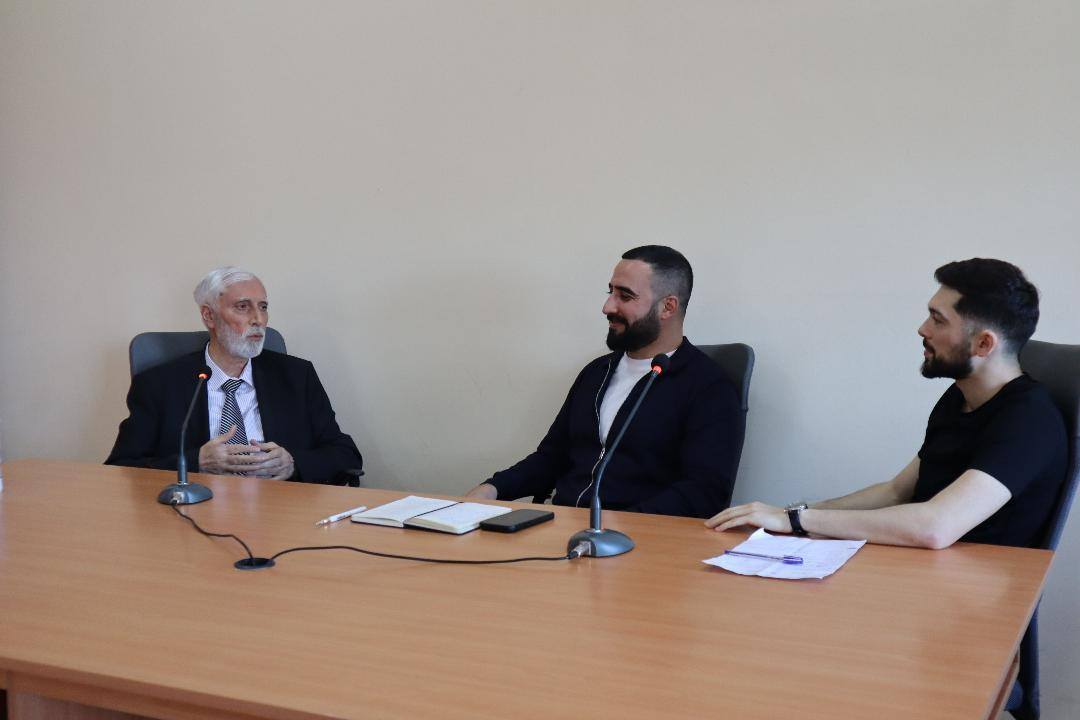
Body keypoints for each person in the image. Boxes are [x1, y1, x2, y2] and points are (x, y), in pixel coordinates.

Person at [707, 258, 1066, 549]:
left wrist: (798, 522)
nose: (923, 329)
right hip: (925, 574)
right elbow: (896, 492)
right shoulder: (959, 397)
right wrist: (791, 515)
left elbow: (936, 526)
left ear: (984, 344)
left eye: (938, 320)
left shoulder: (1030, 421)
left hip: (979, 599)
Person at [465, 245, 741, 518]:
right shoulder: (596, 372)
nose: (607, 307)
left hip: (641, 537)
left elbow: (703, 491)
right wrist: (492, 489)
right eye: (611, 292)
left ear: (667, 307)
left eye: (625, 296)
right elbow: (552, 457)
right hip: (562, 527)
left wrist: (617, 527)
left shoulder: (709, 387)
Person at [106, 267, 362, 484]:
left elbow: (346, 454)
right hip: (195, 513)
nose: (258, 319)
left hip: (280, 510)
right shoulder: (159, 384)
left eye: (263, 307)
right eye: (243, 307)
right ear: (209, 316)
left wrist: (293, 463)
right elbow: (121, 468)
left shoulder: (296, 376)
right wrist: (196, 463)